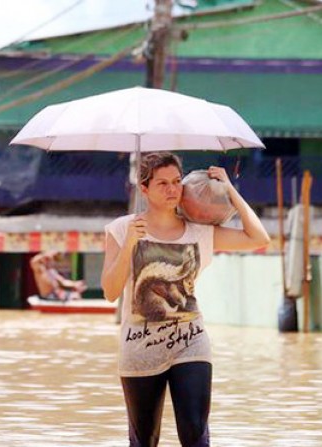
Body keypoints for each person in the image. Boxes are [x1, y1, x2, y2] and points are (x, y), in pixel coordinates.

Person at [101, 152, 270, 447]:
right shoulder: (122, 229)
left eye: (177, 181)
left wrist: (230, 188)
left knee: (194, 432)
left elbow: (259, 238)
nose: (172, 189)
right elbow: (110, 292)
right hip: (140, 346)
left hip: (191, 341)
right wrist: (129, 243)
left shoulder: (200, 232)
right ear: (144, 189)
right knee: (144, 440)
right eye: (162, 183)